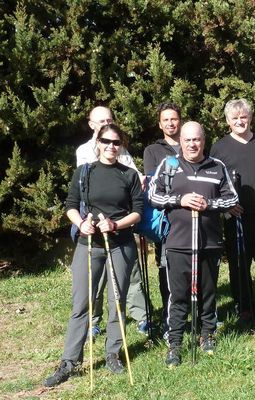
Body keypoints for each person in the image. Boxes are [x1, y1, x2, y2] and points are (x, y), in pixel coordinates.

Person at [44, 124, 143, 387]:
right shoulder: (84, 172)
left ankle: (113, 353)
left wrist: (115, 224)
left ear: (122, 145)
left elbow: (137, 212)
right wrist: (80, 224)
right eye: (107, 141)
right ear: (97, 142)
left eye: (117, 142)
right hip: (89, 246)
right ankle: (69, 361)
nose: (112, 146)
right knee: (82, 304)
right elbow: (71, 205)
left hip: (120, 243)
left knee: (117, 299)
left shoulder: (129, 175)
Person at [149, 121, 238, 367]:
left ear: (203, 140)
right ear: (180, 141)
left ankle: (207, 334)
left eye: (196, 139)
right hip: (177, 242)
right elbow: (153, 196)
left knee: (208, 293)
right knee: (178, 296)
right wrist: (181, 200)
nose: (192, 144)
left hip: (209, 243)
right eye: (187, 140)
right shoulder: (169, 165)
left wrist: (208, 204)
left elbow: (232, 199)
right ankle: (175, 343)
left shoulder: (216, 166)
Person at [76, 106, 149, 339]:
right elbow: (84, 187)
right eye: (100, 121)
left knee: (129, 274)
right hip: (93, 221)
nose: (105, 123)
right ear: (91, 124)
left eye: (109, 119)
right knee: (93, 279)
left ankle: (141, 316)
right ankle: (94, 320)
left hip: (121, 221)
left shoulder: (120, 146)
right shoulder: (85, 151)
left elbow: (133, 177)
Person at [209, 99, 255, 323]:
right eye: (234, 118)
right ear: (227, 121)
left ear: (250, 118)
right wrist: (226, 207)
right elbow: (213, 182)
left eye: (243, 117)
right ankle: (243, 306)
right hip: (235, 216)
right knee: (239, 266)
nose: (239, 121)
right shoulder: (219, 148)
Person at [143, 102, 182, 337]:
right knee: (166, 266)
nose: (170, 123)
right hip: (166, 217)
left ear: (180, 120)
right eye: (165, 120)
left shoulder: (191, 143)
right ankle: (170, 319)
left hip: (190, 217)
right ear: (160, 124)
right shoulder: (152, 151)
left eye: (174, 119)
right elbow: (152, 184)